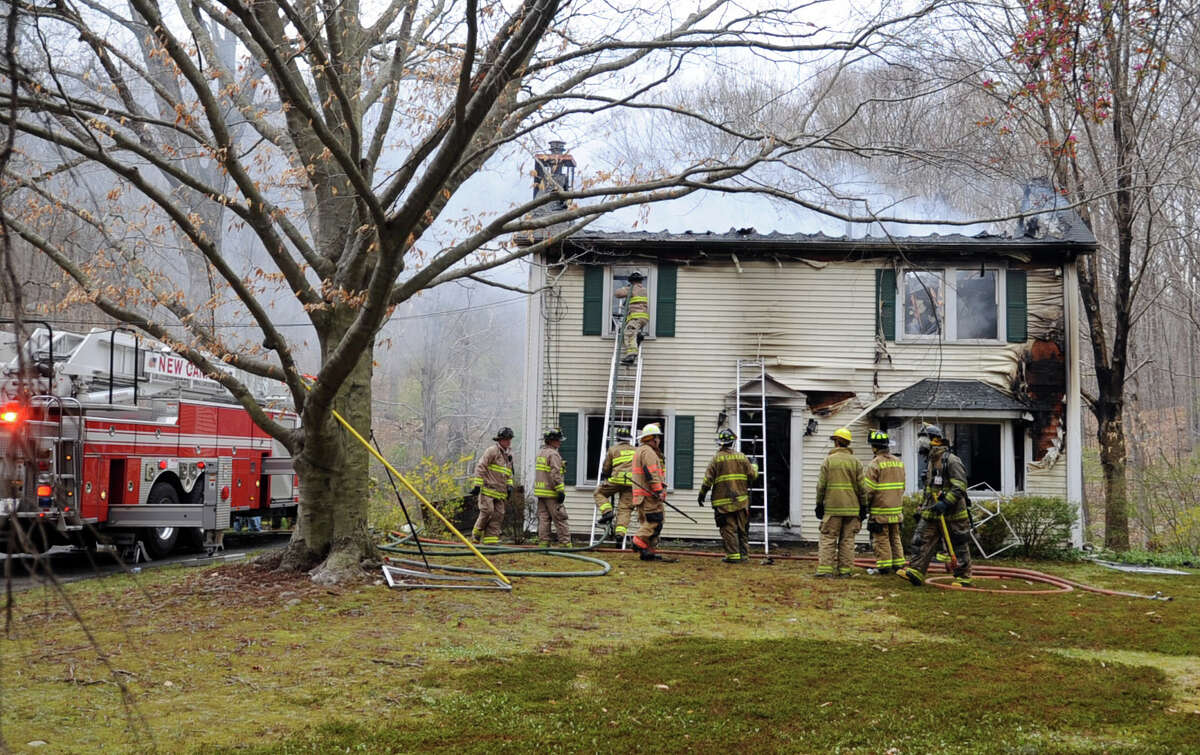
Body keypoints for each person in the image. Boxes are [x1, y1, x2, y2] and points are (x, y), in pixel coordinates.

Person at [897, 424, 973, 587]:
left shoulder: (951, 460)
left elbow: (960, 485)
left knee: (958, 544)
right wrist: (922, 507)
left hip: (952, 513)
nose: (919, 443)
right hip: (932, 512)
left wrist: (945, 503)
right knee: (921, 539)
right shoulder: (932, 460)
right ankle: (916, 571)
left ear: (934, 440)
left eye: (922, 438)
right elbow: (930, 489)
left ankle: (963, 577)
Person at [697, 428, 758, 563]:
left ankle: (733, 556)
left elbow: (707, 481)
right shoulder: (741, 457)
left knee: (728, 529)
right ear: (732, 443)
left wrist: (701, 495)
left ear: (721, 443)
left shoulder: (716, 459)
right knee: (742, 529)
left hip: (723, 504)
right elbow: (753, 476)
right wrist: (755, 466)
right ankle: (744, 555)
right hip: (741, 501)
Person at [814, 427, 867, 578]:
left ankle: (825, 570)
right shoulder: (856, 462)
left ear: (836, 442)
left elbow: (821, 486)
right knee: (848, 540)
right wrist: (863, 506)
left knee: (828, 538)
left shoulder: (828, 461)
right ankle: (845, 571)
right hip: (852, 508)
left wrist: (819, 504)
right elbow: (862, 488)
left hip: (832, 508)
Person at [863, 430, 905, 574]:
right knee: (895, 537)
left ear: (874, 447)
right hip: (896, 509)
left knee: (881, 539)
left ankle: (884, 567)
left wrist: (864, 506)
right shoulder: (899, 462)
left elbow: (869, 490)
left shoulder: (875, 464)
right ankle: (899, 565)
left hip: (880, 510)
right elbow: (902, 487)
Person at [469, 427, 514, 545]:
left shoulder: (508, 455)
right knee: (487, 511)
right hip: (488, 490)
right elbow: (481, 467)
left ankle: (491, 541)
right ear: (500, 440)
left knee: (498, 515)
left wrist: (510, 486)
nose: (508, 442)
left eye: (510, 439)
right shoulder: (492, 451)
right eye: (506, 439)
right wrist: (477, 485)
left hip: (500, 492)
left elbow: (509, 473)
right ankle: (476, 534)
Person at [630, 422, 668, 561]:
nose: (659, 440)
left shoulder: (640, 451)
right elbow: (651, 473)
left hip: (642, 496)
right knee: (655, 521)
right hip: (649, 496)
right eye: (658, 437)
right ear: (653, 438)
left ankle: (647, 552)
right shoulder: (648, 452)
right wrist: (659, 491)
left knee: (649, 524)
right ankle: (638, 541)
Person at [593, 425, 636, 540]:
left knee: (598, 492)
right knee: (625, 508)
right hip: (631, 483)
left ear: (617, 438)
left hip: (616, 480)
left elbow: (606, 467)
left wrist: (605, 474)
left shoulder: (613, 449)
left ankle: (607, 512)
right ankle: (620, 534)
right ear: (629, 438)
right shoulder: (635, 450)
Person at [534, 427, 570, 547]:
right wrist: (560, 490)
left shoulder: (541, 452)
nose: (560, 442)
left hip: (541, 492)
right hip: (551, 492)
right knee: (560, 518)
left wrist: (561, 466)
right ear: (551, 441)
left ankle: (543, 543)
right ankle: (565, 544)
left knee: (544, 519)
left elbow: (545, 471)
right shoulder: (554, 454)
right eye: (558, 440)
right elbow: (555, 473)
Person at [613, 271, 649, 364]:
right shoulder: (643, 290)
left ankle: (631, 355)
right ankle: (637, 337)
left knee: (628, 333)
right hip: (643, 318)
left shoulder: (632, 288)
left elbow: (617, 294)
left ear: (632, 281)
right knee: (633, 332)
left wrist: (626, 287)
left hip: (635, 317)